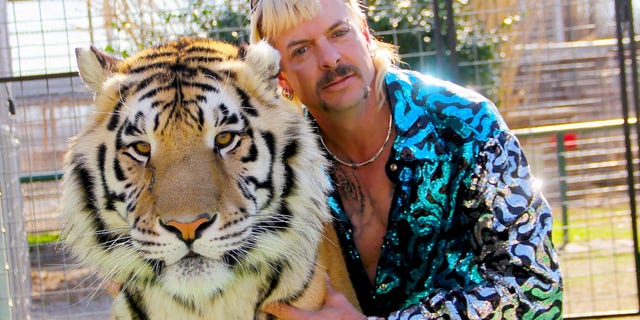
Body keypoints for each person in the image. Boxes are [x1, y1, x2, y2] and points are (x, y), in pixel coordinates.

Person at [249, 0, 563, 319]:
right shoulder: (280, 172)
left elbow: (537, 288)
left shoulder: (466, 124)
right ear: (281, 79)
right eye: (301, 50)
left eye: (340, 33)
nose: (330, 58)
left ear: (366, 36)